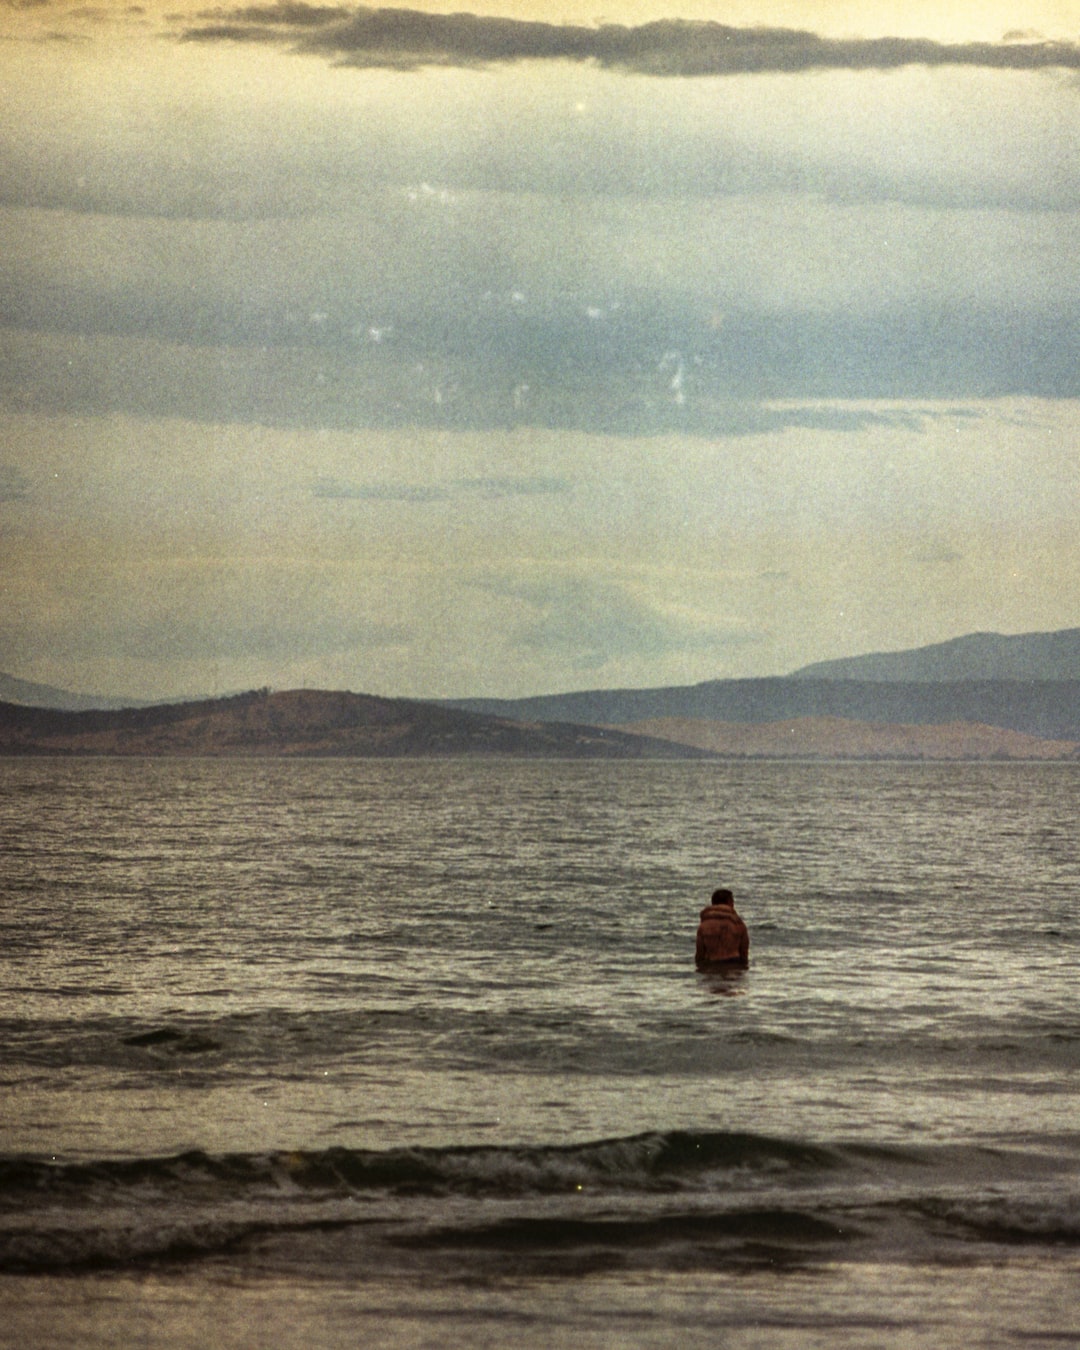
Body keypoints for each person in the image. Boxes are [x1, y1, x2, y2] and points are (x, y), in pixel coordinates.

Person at [695, 888, 749, 970]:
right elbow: (744, 954)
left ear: (713, 903)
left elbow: (700, 955)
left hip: (711, 966)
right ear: (730, 903)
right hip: (734, 966)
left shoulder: (704, 926)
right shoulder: (738, 924)